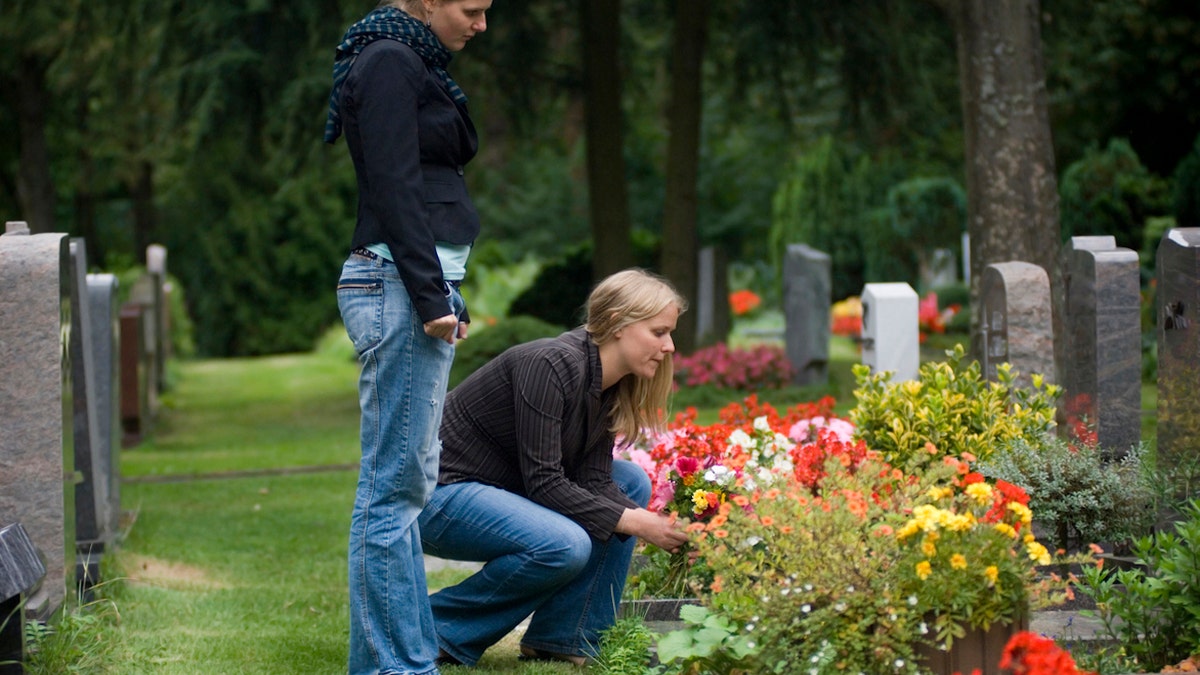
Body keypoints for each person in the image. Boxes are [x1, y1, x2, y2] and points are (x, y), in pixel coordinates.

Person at [324, 1, 491, 673]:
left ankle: (394, 658)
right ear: (425, 1)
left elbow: (421, 184)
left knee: (408, 480)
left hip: (412, 284)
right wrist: (429, 295)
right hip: (395, 284)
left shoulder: (407, 55)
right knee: (392, 488)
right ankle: (399, 665)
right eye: (471, 9)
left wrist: (444, 290)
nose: (481, 25)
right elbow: (394, 184)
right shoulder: (391, 59)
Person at [418, 268, 691, 667]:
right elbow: (545, 483)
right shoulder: (548, 364)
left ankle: (565, 637)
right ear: (617, 323)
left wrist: (655, 523)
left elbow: (594, 479)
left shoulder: (610, 383)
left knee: (628, 482)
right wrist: (638, 524)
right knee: (564, 545)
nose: (668, 346)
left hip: (498, 491)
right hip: (439, 496)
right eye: (658, 332)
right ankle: (430, 628)